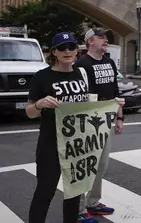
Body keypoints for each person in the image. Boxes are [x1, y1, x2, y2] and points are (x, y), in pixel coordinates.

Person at [26, 33, 109, 223]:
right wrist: (39, 104)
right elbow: (29, 112)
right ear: (54, 52)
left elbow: (89, 106)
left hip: (77, 147)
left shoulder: (82, 74)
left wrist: (113, 106)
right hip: (51, 145)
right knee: (45, 192)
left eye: (71, 47)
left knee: (73, 195)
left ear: (76, 50)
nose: (67, 51)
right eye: (62, 48)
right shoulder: (42, 77)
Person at [74, 28, 123, 218]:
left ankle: (93, 202)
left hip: (107, 118)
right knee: (86, 165)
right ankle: (78, 209)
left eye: (106, 38)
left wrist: (119, 117)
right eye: (101, 38)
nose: (105, 40)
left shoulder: (109, 62)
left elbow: (115, 93)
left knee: (101, 164)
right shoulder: (81, 64)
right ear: (90, 42)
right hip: (87, 120)